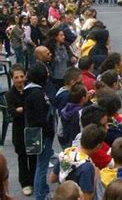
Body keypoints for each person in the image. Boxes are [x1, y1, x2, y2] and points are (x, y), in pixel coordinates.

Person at [24, 63, 54, 200]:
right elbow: (41, 117)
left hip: (39, 133)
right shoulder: (37, 93)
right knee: (42, 167)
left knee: (40, 164)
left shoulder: (30, 90)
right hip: (43, 134)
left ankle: (43, 190)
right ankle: (40, 195)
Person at [50, 124, 105, 200]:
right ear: (98, 146)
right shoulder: (87, 167)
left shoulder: (67, 153)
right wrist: (95, 176)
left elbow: (52, 178)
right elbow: (86, 197)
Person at [5, 64, 35, 196]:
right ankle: (25, 183)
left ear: (25, 76)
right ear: (12, 79)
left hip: (32, 128)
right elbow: (13, 112)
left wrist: (21, 108)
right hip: (19, 130)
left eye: (21, 76)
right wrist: (27, 108)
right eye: (16, 77)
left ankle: (34, 180)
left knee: (33, 156)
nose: (19, 80)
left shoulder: (30, 89)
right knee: (22, 157)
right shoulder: (10, 94)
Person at [57, 83, 88, 149]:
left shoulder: (64, 110)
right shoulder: (82, 113)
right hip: (78, 145)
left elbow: (60, 132)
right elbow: (83, 132)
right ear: (83, 98)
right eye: (87, 93)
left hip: (66, 144)